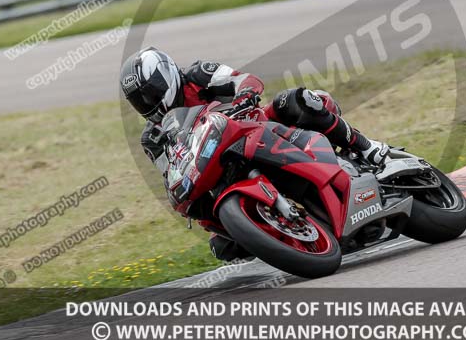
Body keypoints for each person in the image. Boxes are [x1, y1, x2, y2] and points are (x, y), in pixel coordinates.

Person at [120, 47, 389, 260]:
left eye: (150, 93)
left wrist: (244, 95)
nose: (148, 102)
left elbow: (243, 79)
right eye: (138, 100)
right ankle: (285, 232)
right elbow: (170, 172)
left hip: (255, 127)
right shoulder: (152, 137)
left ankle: (367, 147)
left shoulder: (197, 74)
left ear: (165, 76)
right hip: (216, 166)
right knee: (223, 248)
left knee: (296, 100)